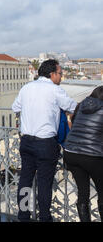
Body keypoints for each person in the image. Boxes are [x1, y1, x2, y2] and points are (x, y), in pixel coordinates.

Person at [12, 59, 77, 222]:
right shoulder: (55, 90)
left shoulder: (26, 88)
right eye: (60, 74)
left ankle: (24, 215)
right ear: (52, 74)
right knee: (44, 183)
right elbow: (73, 107)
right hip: (45, 143)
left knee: (25, 180)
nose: (61, 77)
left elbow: (15, 108)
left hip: (26, 141)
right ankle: (45, 217)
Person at [63, 86, 103, 222]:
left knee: (83, 193)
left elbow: (74, 126)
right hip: (92, 156)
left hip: (71, 153)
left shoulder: (80, 106)